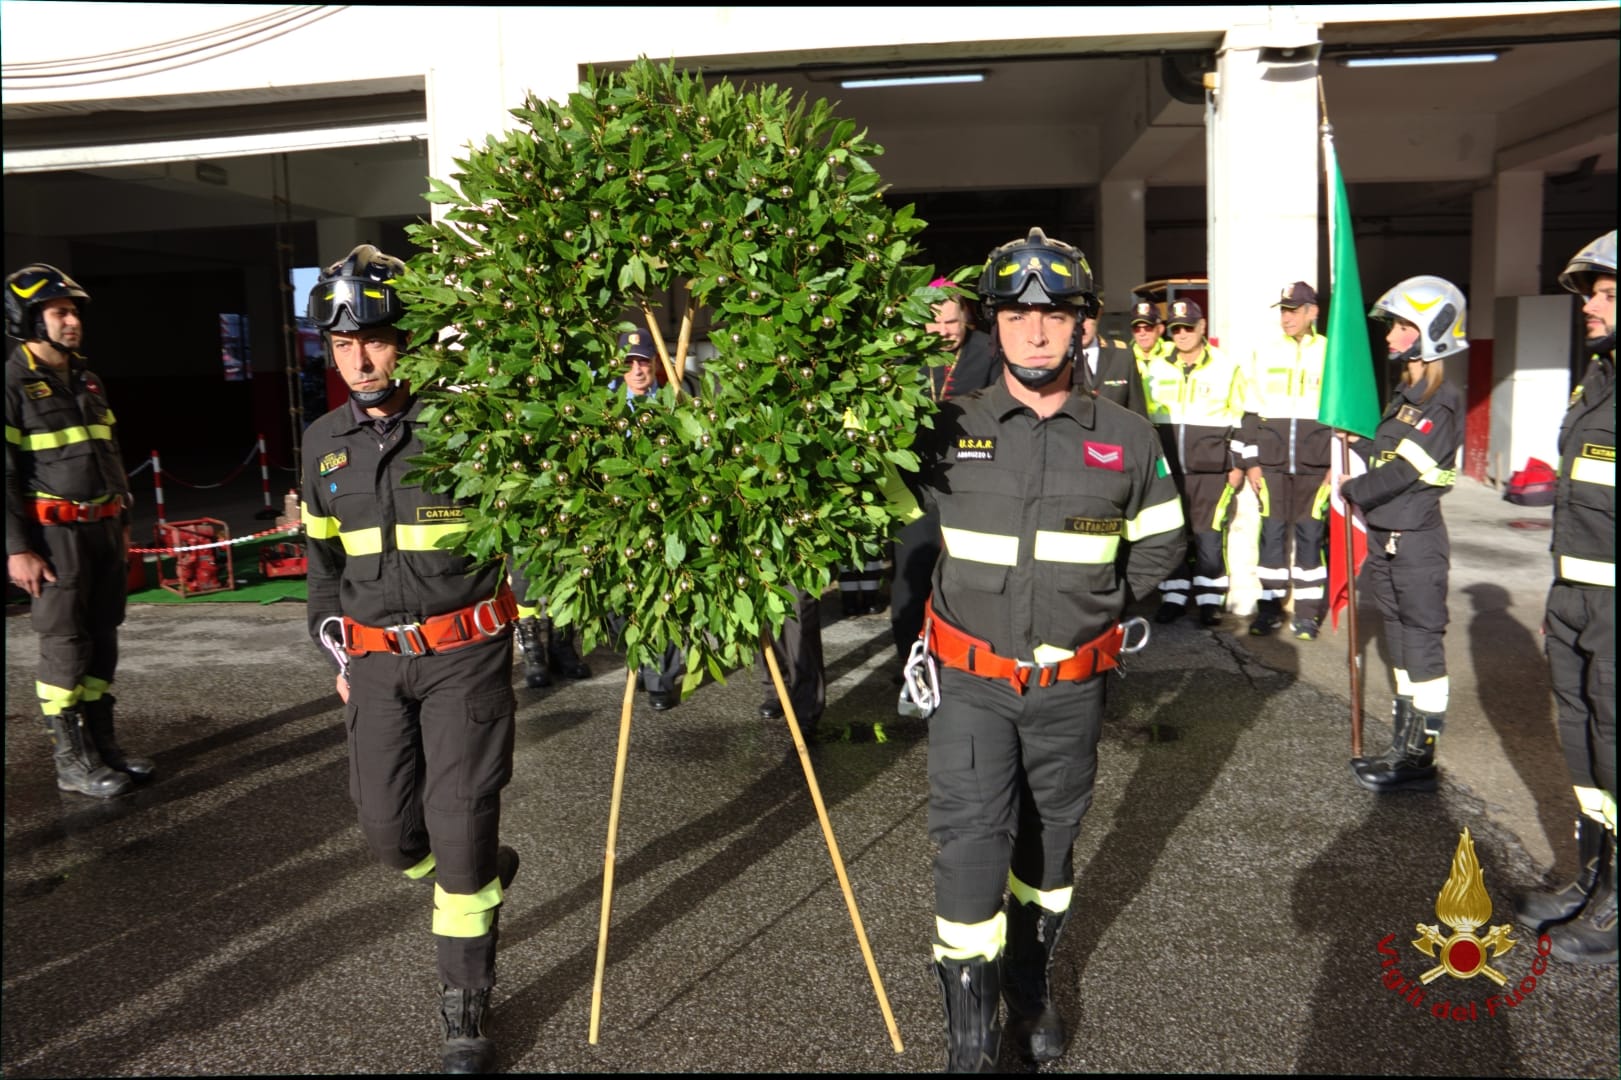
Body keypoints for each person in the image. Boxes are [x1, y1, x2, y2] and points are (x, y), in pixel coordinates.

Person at [903, 227, 1185, 1070]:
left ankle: (1029, 988)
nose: (1034, 330)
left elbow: (1163, 542)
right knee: (970, 846)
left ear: (1081, 325)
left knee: (1049, 853)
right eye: (1016, 315)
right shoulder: (944, 425)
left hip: (1071, 686)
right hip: (971, 681)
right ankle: (967, 1043)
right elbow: (854, 503)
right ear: (992, 323)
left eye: (1054, 314)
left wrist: (1095, 606)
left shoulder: (1127, 437)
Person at [300, 244, 521, 1073]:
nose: (359, 359)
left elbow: (524, 533)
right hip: (375, 667)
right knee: (390, 834)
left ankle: (464, 1011)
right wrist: (332, 644)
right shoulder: (322, 442)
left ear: (410, 341)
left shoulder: (467, 427)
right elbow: (324, 567)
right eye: (343, 344)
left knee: (457, 832)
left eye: (377, 340)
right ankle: (481, 870)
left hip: (464, 659)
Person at [5, 263, 152, 799]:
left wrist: (123, 522)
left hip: (103, 530)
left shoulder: (87, 378)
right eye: (59, 312)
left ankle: (103, 748)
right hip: (53, 538)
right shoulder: (11, 383)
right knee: (65, 645)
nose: (72, 322)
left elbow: (107, 456)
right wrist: (16, 549)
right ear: (28, 318)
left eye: (74, 312)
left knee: (104, 636)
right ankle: (71, 760)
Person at [1511, 230, 1616, 965]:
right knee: (1583, 751)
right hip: (1574, 596)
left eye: (1606, 292)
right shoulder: (1596, 380)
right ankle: (1592, 878)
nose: (1589, 306)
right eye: (1590, 293)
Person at [1340, 275, 1466, 795]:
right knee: (1399, 643)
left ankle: (1419, 759)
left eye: (1400, 326)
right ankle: (1401, 748)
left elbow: (1401, 474)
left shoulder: (1444, 401)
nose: (1390, 335)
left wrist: (1352, 487)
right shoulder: (1407, 396)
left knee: (1422, 648)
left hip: (1415, 541)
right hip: (1389, 540)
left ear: (1428, 334)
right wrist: (1357, 441)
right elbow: (1388, 455)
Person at [1140, 298, 1247, 626]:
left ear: (1202, 327)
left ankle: (1209, 600)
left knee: (1208, 536)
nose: (1183, 333)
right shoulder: (1155, 368)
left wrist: (1238, 465)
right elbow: (1144, 420)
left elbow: (1243, 419)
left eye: (1188, 327)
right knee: (1170, 534)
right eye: (1176, 329)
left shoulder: (1227, 366)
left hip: (1211, 471)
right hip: (1168, 471)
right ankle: (1173, 596)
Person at [1241, 282, 1331, 640]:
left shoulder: (1330, 352)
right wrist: (1251, 462)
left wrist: (1335, 466)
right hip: (1272, 465)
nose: (1287, 317)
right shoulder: (1264, 352)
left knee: (1311, 537)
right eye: (1283, 310)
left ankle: (1307, 615)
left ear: (1313, 312)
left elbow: (1343, 419)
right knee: (1272, 538)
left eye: (1294, 310)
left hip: (1316, 465)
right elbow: (1249, 410)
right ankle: (1269, 610)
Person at [606, 326, 685, 711]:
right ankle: (639, 662)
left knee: (661, 596)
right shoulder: (605, 407)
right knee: (619, 603)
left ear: (655, 363)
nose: (638, 370)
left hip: (661, 519)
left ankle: (660, 677)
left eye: (644, 361)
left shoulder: (673, 404)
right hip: (619, 521)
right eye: (630, 363)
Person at [1071, 295, 1147, 417]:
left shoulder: (1122, 356)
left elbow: (1138, 411)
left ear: (1098, 318)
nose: (1081, 327)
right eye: (1076, 319)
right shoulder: (1059, 360)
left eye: (1086, 319)